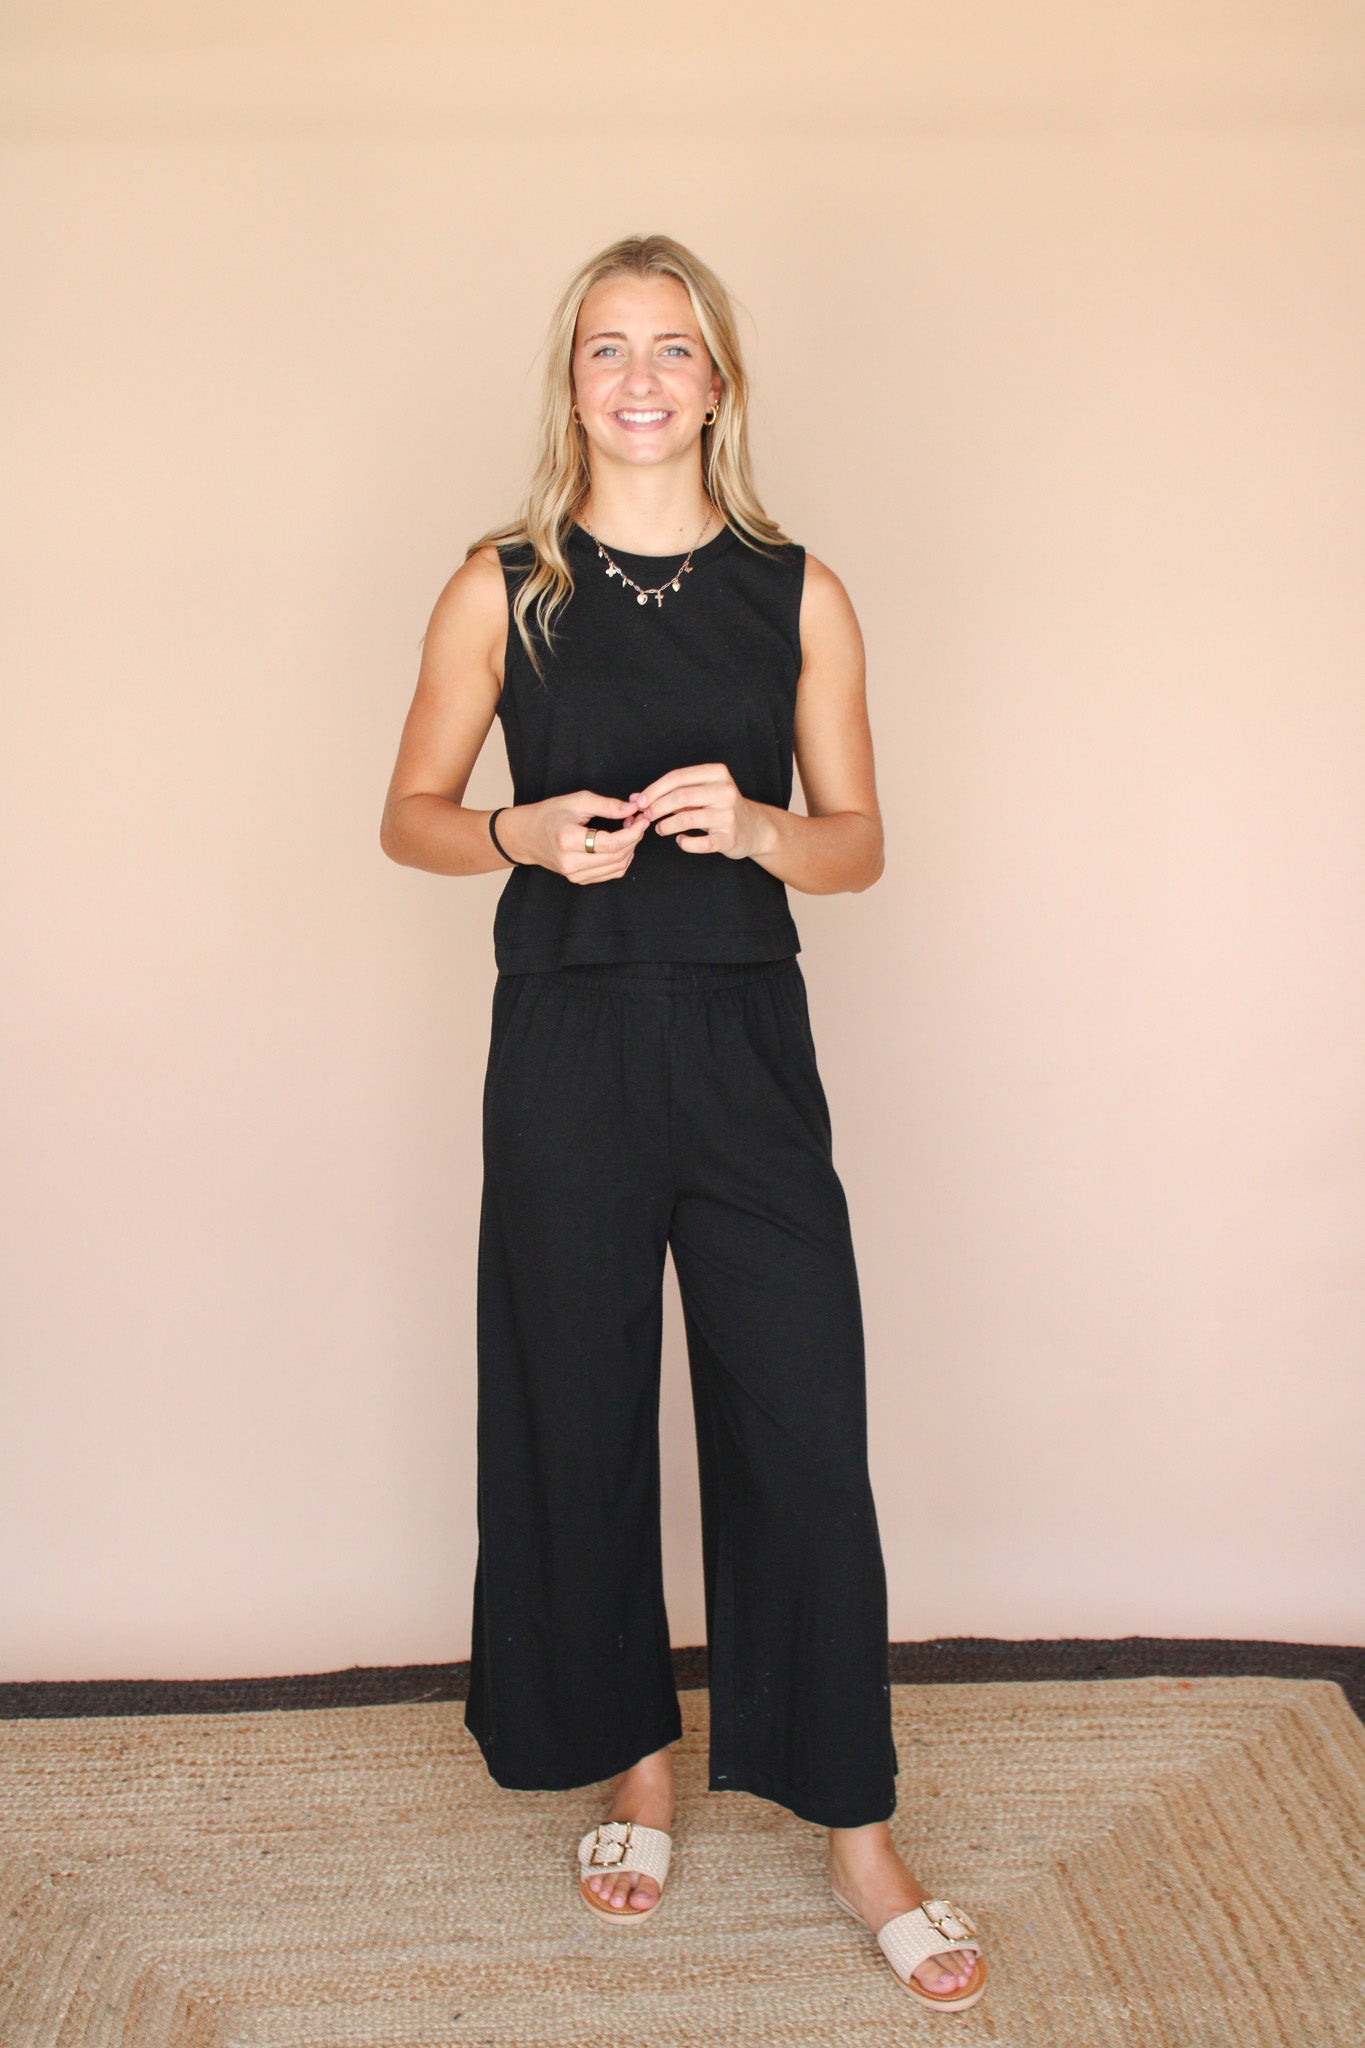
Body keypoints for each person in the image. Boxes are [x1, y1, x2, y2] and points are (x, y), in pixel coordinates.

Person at [379, 233, 986, 2014]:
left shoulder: (799, 591)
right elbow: (408, 810)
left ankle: (856, 1829)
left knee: (800, 1421)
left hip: (741, 1042)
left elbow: (859, 844)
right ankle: (633, 1764)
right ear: (569, 384)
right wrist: (515, 833)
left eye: (670, 349)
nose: (637, 379)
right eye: (605, 350)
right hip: (563, 1040)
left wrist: (766, 829)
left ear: (717, 382)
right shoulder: (500, 586)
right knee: (573, 1409)